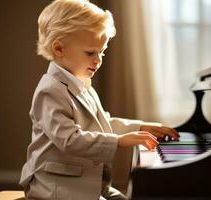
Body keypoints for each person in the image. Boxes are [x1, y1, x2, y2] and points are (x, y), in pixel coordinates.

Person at [19, 0, 180, 199]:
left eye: (102, 51)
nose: (98, 59)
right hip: (56, 188)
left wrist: (139, 127)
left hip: (88, 184)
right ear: (59, 49)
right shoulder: (50, 91)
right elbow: (70, 140)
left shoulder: (82, 83)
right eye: (90, 52)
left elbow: (103, 124)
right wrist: (119, 141)